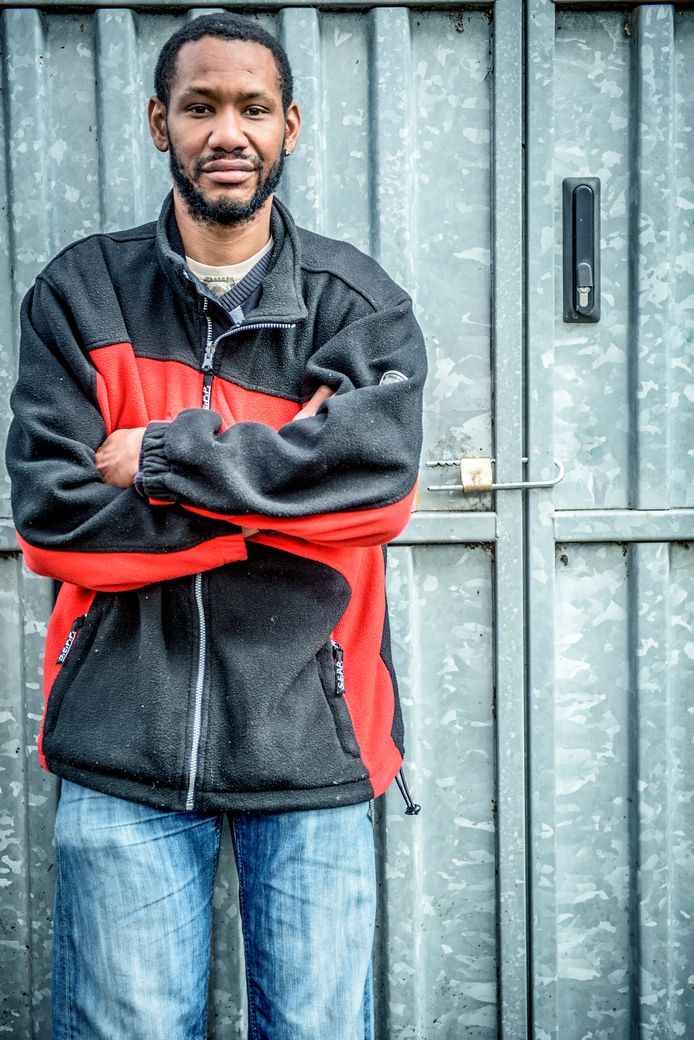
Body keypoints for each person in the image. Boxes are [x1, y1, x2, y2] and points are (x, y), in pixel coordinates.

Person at [6, 12, 427, 1040]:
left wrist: (162, 458)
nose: (226, 132)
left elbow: (378, 490)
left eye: (252, 108)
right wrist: (280, 502)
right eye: (199, 108)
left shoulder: (354, 304)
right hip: (123, 744)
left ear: (291, 126)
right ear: (161, 123)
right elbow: (54, 520)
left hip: (312, 744)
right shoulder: (82, 293)